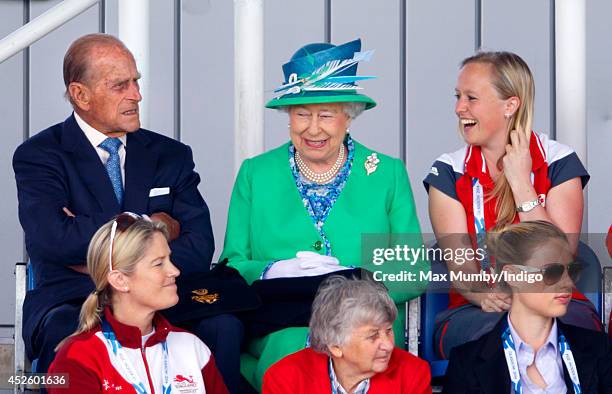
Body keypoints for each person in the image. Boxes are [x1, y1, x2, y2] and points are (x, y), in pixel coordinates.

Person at [12, 33, 243, 391]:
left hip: (163, 295)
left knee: (224, 325)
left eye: (136, 82)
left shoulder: (171, 155)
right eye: (121, 85)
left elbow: (199, 247)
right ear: (80, 94)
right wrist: (153, 226)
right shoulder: (41, 155)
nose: (136, 94)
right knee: (66, 335)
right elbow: (54, 241)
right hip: (76, 298)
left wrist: (97, 244)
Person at [220, 38, 428, 389]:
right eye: (302, 114)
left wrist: (355, 288)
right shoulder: (256, 173)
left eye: (326, 115)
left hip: (365, 324)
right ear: (288, 117)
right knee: (289, 353)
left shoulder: (386, 173)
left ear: (348, 116)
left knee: (353, 347)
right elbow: (232, 263)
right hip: (279, 321)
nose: (312, 128)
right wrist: (273, 269)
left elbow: (413, 270)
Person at [423, 51, 601, 359]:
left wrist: (521, 182)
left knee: (568, 337)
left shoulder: (559, 161)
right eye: (458, 96)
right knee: (501, 337)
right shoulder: (448, 171)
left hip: (556, 305)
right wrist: (482, 293)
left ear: (510, 105)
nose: (458, 108)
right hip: (477, 310)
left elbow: (557, 260)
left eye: (471, 98)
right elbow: (461, 265)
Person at [48, 213, 229, 393]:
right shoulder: (77, 357)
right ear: (120, 280)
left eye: (170, 260)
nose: (175, 271)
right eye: (159, 264)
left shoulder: (192, 347)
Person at [443, 221, 612, 393]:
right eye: (552, 272)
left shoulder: (600, 349)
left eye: (572, 271)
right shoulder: (466, 362)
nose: (567, 283)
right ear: (513, 276)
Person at [262, 276, 431, 393]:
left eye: (388, 331)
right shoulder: (285, 379)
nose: (388, 345)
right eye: (373, 336)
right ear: (335, 346)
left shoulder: (412, 374)